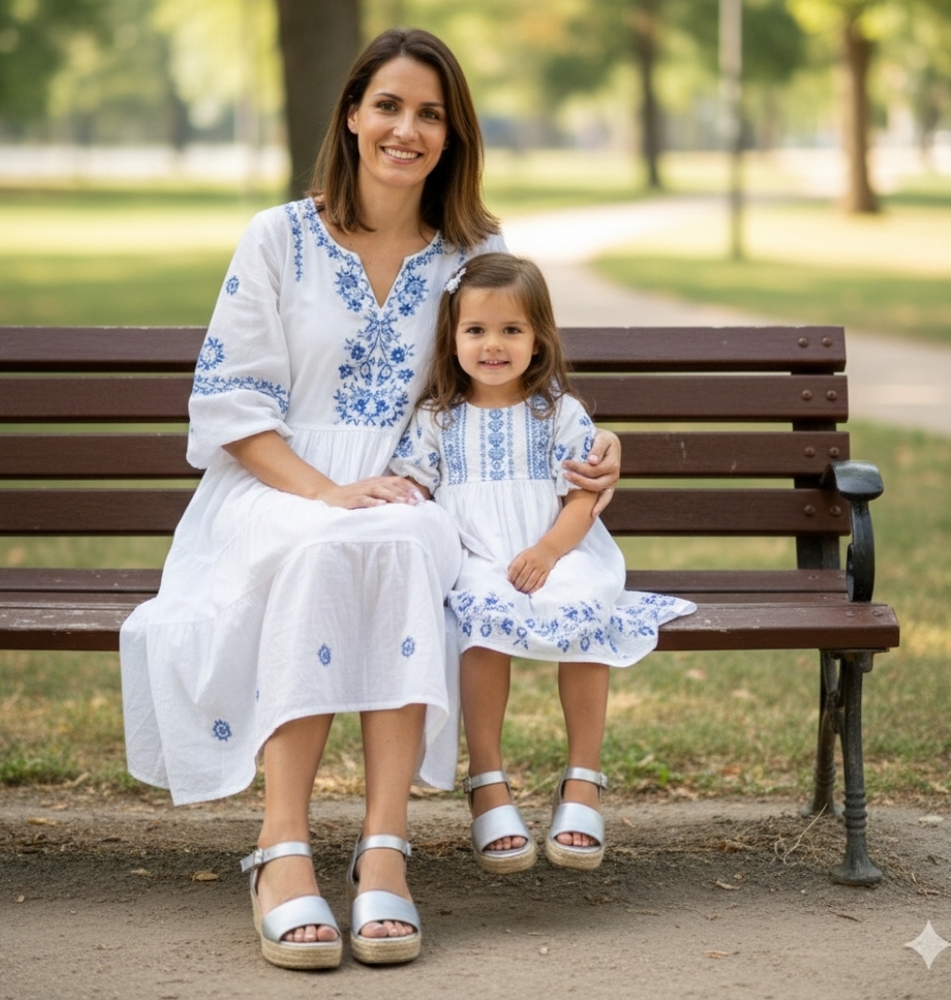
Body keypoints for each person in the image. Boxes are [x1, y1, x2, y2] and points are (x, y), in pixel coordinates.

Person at [120, 29, 621, 970]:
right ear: (351, 114)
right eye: (388, 105)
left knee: (396, 540)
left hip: (415, 488)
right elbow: (231, 404)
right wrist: (326, 492)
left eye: (430, 113)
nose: (406, 129)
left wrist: (603, 446)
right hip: (275, 484)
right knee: (327, 544)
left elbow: (521, 379)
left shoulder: (474, 250)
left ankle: (384, 847)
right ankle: (281, 849)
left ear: (452, 134)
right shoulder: (278, 237)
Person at [390, 253, 695, 875]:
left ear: (538, 339)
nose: (493, 345)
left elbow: (583, 498)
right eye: (476, 330)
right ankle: (487, 780)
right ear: (452, 338)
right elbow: (414, 487)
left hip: (560, 549)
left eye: (511, 330)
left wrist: (550, 551)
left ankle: (583, 776)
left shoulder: (556, 412)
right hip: (478, 558)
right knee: (479, 620)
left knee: (583, 614)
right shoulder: (436, 417)